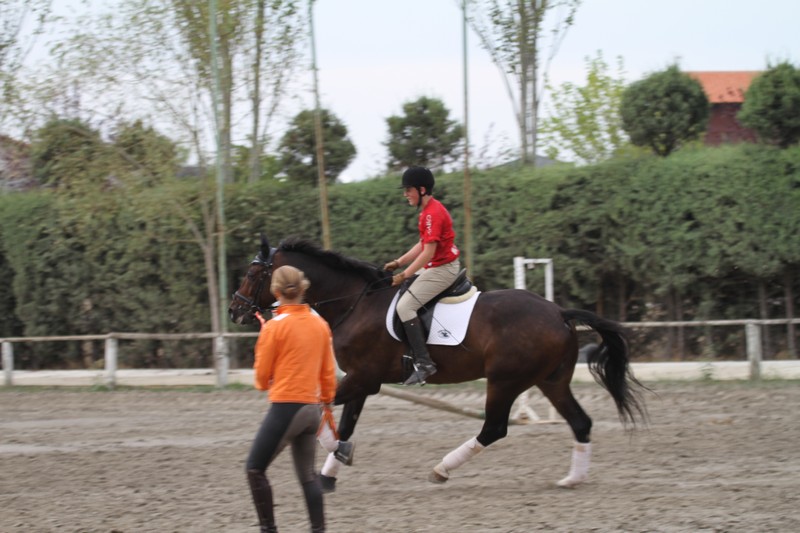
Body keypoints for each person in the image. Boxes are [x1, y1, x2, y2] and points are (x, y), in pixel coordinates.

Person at [245, 265, 352, 533]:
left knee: (255, 469)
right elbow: (328, 375)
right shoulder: (320, 324)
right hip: (312, 410)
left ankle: (268, 529)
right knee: (307, 477)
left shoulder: (273, 327)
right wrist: (325, 403)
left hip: (286, 409)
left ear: (276, 291)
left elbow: (261, 380)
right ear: (303, 288)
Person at [383, 166, 461, 386]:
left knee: (404, 307)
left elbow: (428, 253)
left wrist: (403, 274)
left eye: (408, 190)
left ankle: (425, 362)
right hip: (436, 265)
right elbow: (422, 244)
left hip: (442, 269)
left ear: (422, 189)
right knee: (400, 293)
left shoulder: (432, 214)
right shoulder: (428, 211)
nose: (405, 194)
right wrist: (399, 262)